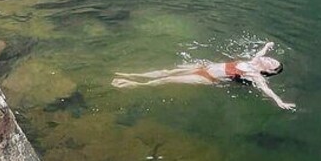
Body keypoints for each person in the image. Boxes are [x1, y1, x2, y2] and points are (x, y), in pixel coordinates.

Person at [111, 42, 296, 110]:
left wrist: (280, 102)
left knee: (166, 79)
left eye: (273, 65)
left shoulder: (256, 75)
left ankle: (130, 84)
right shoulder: (255, 60)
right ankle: (134, 74)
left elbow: (267, 90)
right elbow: (262, 51)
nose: (271, 60)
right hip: (204, 66)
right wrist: (268, 46)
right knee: (168, 71)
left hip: (207, 78)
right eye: (273, 60)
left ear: (268, 72)